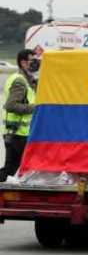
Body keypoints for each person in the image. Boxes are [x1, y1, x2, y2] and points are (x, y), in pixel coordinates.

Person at [0, 49, 37, 182]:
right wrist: (35, 108)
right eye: (32, 61)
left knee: (11, 168)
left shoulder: (27, 80)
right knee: (32, 165)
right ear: (23, 63)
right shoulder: (19, 81)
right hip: (18, 133)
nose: (35, 64)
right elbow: (11, 105)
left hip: (16, 133)